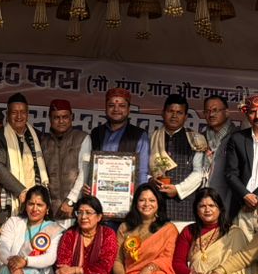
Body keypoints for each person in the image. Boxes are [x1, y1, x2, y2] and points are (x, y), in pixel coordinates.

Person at [79, 88, 150, 212]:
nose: (116, 109)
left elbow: (142, 173)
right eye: (111, 105)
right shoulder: (96, 133)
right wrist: (87, 184)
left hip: (127, 205)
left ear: (128, 109)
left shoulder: (139, 135)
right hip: (97, 205)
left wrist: (140, 200)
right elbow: (89, 167)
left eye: (122, 106)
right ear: (105, 108)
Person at [148, 94, 208, 223]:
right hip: (155, 205)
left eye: (179, 113)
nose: (174, 116)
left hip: (185, 208)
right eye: (170, 111)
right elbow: (142, 169)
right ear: (163, 113)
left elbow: (199, 172)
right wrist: (150, 180)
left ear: (185, 117)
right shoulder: (151, 138)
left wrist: (178, 189)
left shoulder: (196, 140)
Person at [0, 93, 50, 218]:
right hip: (10, 202)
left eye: (22, 112)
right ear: (7, 115)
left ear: (27, 115)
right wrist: (21, 191)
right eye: (14, 112)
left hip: (36, 202)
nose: (18, 116)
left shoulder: (38, 136)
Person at [219, 94, 258, 217]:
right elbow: (230, 173)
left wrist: (257, 197)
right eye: (252, 112)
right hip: (242, 203)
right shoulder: (237, 138)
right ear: (247, 115)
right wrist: (245, 195)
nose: (257, 116)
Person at [41, 99, 87, 220]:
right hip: (49, 210)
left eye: (65, 117)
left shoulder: (82, 138)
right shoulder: (43, 141)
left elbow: (84, 173)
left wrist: (71, 201)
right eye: (56, 117)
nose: (61, 121)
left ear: (71, 117)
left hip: (74, 209)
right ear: (50, 119)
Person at [201, 95, 239, 206]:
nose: (211, 114)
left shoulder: (238, 137)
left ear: (226, 112)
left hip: (228, 200)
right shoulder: (200, 138)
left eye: (215, 110)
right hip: (202, 200)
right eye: (207, 111)